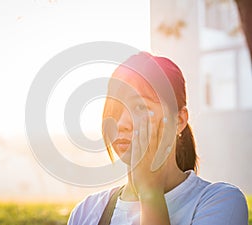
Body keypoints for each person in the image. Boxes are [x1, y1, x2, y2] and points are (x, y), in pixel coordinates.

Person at [68, 52, 248, 225]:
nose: (121, 123)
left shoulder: (220, 202)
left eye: (139, 107)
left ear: (179, 120)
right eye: (115, 108)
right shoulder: (86, 212)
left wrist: (149, 191)